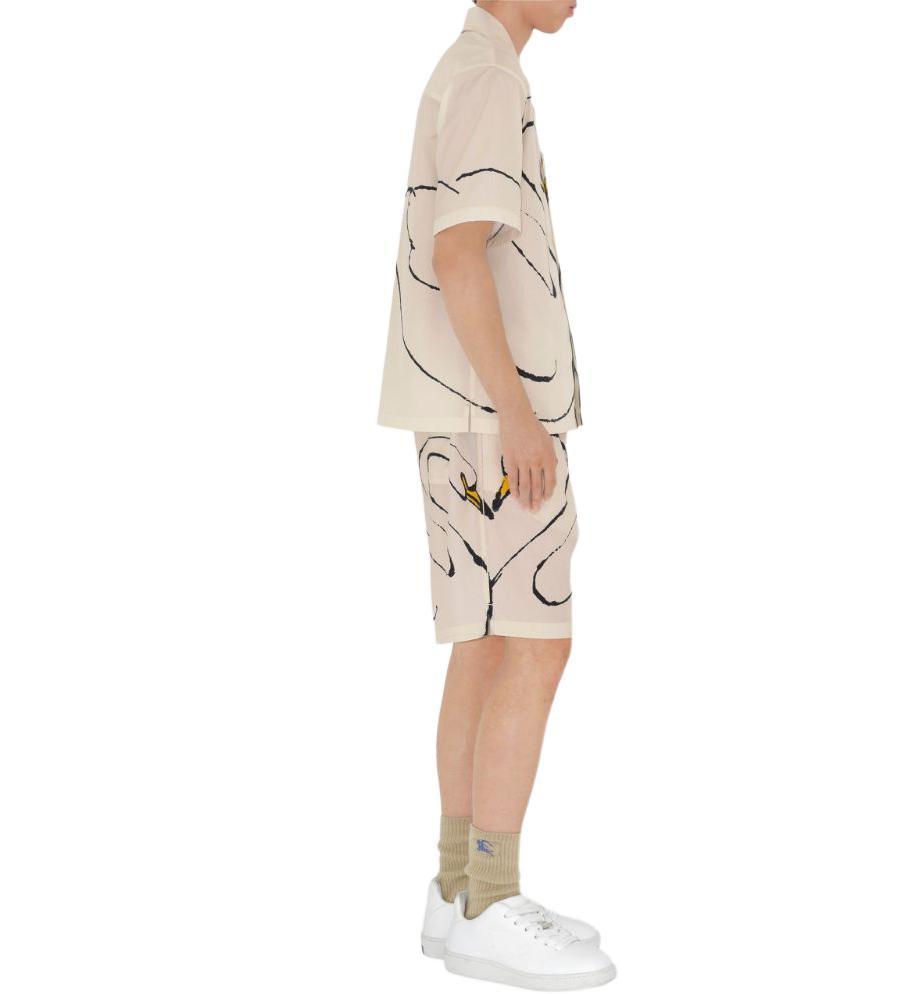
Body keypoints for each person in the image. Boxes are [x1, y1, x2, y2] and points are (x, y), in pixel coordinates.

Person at [377, 3, 615, 988]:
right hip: (488, 418)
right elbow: (458, 251)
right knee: (534, 643)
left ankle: (459, 887)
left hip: (465, 414)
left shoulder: (470, 68)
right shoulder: (485, 77)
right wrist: (519, 415)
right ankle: (490, 900)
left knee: (485, 646)